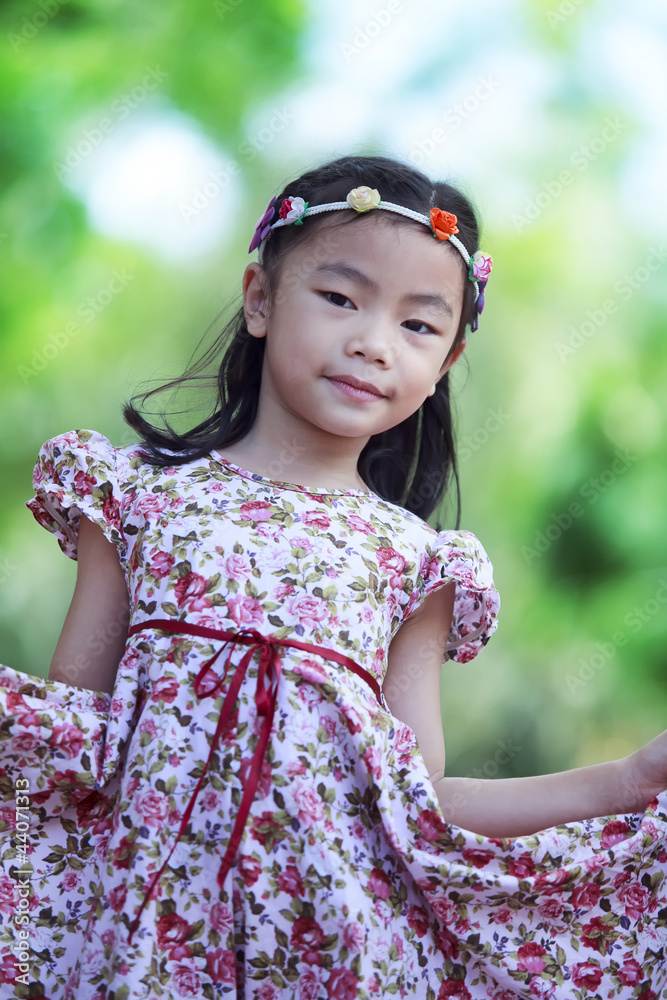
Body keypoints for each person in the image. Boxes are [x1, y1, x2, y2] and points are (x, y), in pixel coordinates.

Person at [0, 153, 665, 1000]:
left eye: (418, 326)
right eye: (341, 299)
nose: (371, 343)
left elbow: (418, 808)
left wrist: (627, 781)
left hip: (337, 949)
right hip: (147, 939)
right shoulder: (138, 497)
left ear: (445, 365)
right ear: (260, 299)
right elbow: (69, 734)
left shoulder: (417, 561)